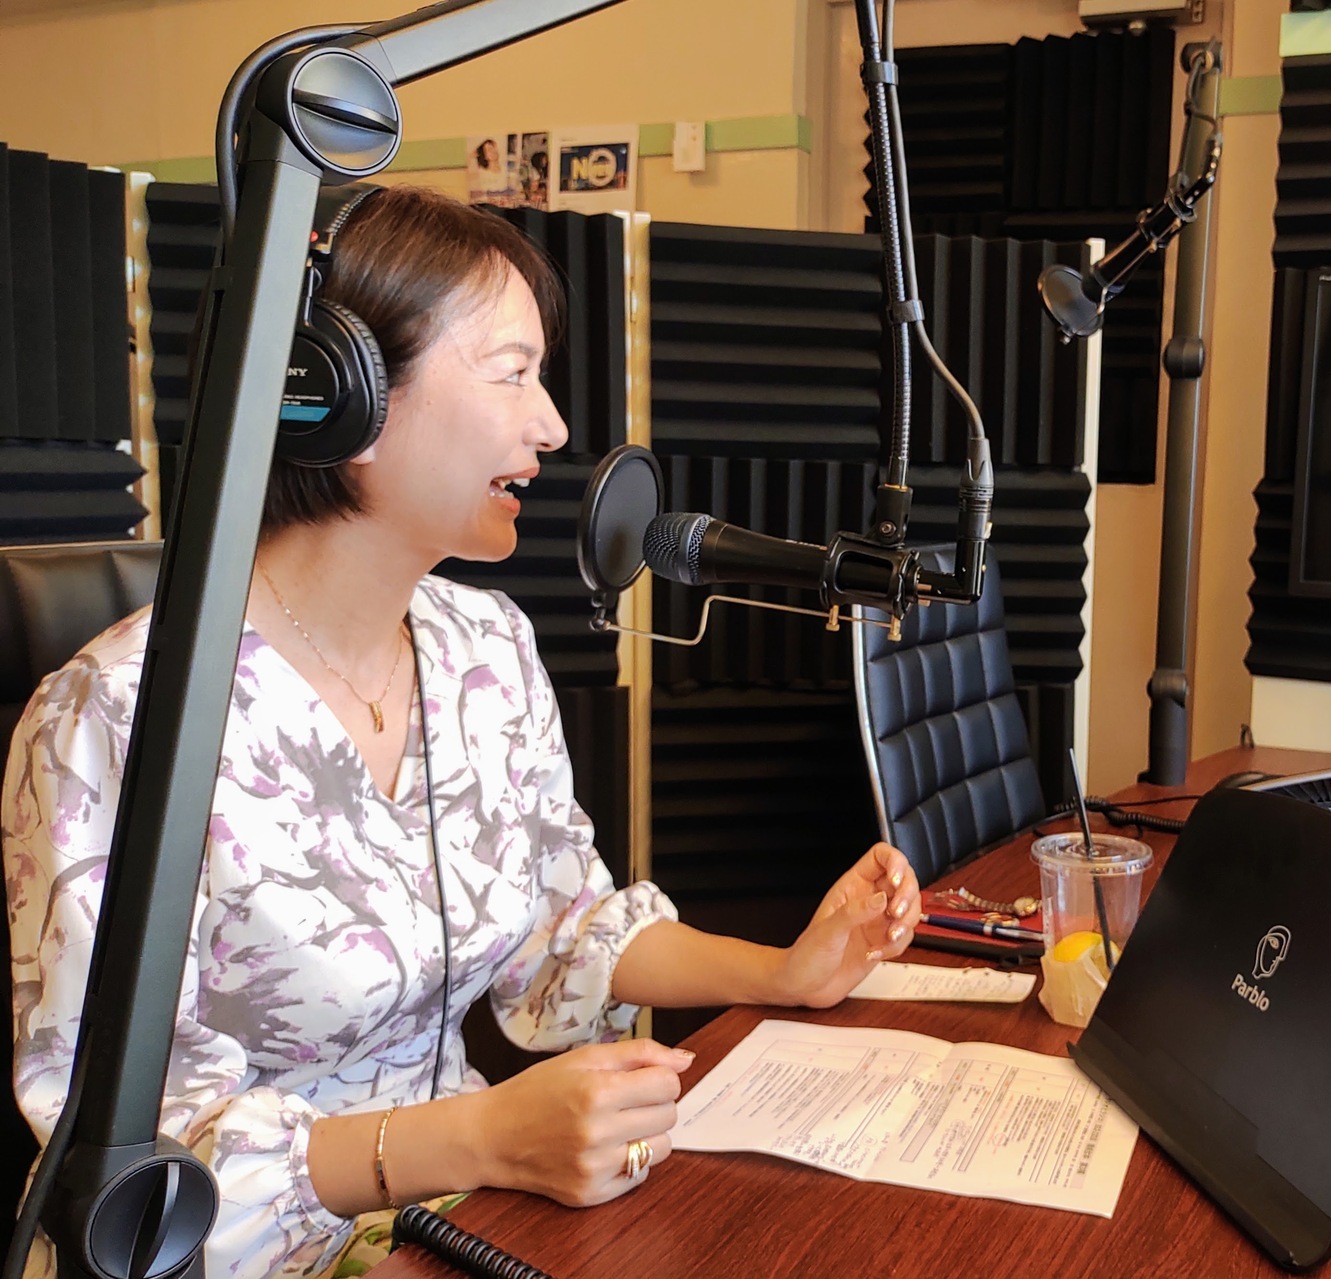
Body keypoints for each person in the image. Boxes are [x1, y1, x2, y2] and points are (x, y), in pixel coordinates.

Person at [2, 185, 921, 1278]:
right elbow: (123, 1168)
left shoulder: (485, 646)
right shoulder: (111, 716)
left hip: (457, 1220)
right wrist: (481, 1136)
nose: (554, 426)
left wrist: (786, 973)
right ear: (341, 397)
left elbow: (563, 932)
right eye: (512, 372)